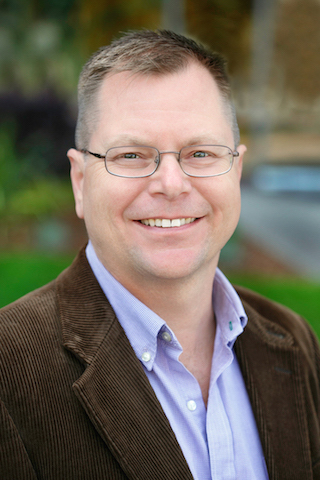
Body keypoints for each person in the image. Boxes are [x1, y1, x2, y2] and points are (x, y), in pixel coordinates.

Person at [0, 30, 319, 480]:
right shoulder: (7, 371)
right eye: (131, 155)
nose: (171, 183)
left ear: (236, 171)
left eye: (201, 153)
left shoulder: (292, 341)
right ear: (80, 180)